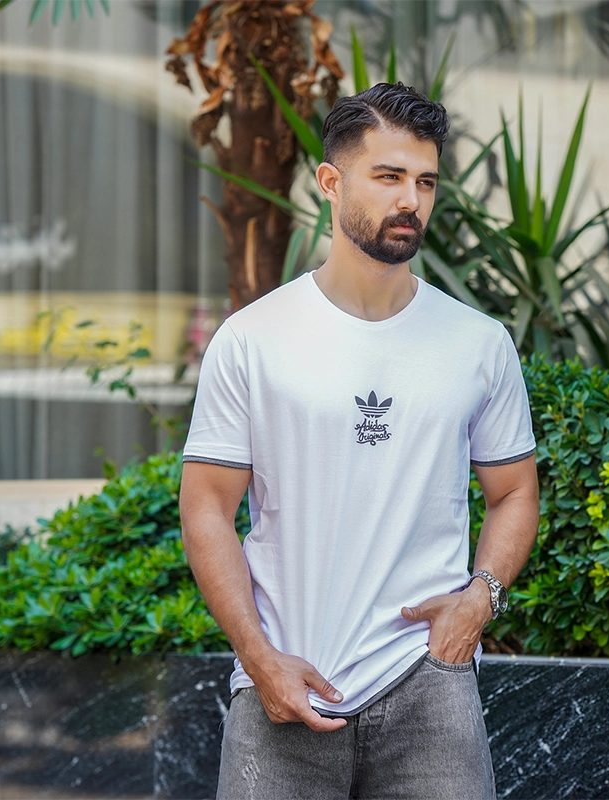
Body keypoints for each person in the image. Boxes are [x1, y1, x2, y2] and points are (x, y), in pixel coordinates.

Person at [179, 81, 540, 800]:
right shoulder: (252, 340)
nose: (410, 200)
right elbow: (207, 508)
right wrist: (259, 658)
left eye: (425, 182)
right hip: (285, 681)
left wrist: (480, 600)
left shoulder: (479, 343)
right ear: (331, 182)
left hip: (429, 683)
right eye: (388, 176)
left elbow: (515, 493)